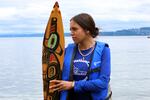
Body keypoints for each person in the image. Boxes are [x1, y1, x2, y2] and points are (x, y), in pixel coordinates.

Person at [49, 13, 112, 100]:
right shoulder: (67, 50)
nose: (71, 33)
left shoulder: (104, 50)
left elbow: (102, 83)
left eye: (74, 29)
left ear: (87, 30)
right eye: (70, 30)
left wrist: (73, 84)